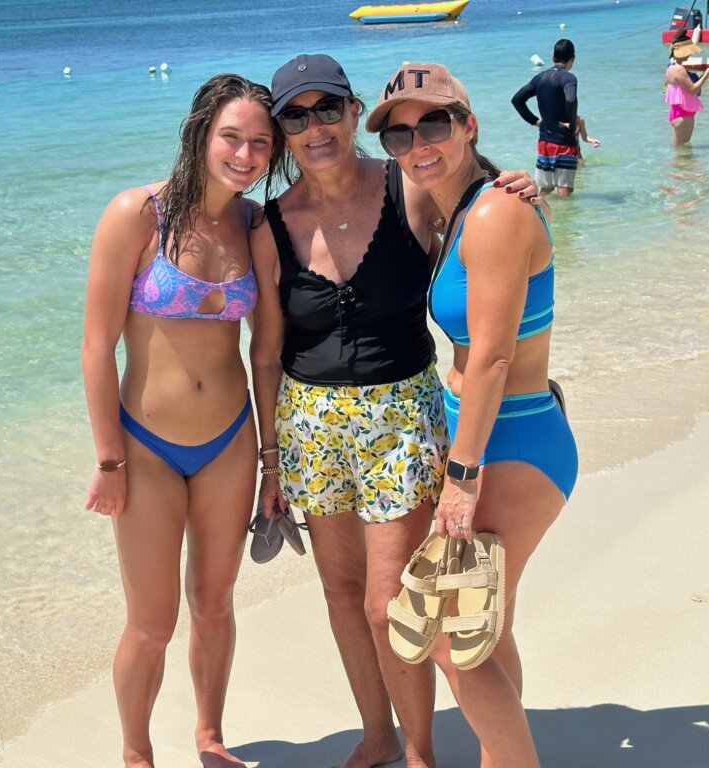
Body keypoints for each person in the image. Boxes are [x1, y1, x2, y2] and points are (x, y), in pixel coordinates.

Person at [249, 54, 539, 768]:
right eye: (296, 115)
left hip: (402, 419)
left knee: (389, 604)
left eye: (327, 109)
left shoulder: (409, 186)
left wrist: (521, 187)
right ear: (282, 132)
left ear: (353, 113)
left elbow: (484, 226)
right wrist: (270, 458)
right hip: (311, 422)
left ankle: (419, 751)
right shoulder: (270, 224)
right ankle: (376, 734)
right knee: (341, 594)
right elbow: (265, 350)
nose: (314, 127)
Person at [366, 61, 578, 767]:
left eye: (435, 124)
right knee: (483, 624)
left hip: (509, 439)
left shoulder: (492, 214)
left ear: (468, 124)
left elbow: (488, 359)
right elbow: (370, 183)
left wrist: (461, 475)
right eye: (400, 135)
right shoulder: (455, 201)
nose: (418, 143)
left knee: (453, 635)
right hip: (494, 432)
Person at [81, 73, 282, 768]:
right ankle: (136, 754)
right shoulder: (137, 214)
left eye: (261, 142)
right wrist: (109, 458)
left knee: (215, 603)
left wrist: (271, 460)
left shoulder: (254, 226)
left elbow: (268, 350)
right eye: (233, 136)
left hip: (230, 440)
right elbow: (95, 346)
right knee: (151, 622)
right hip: (145, 446)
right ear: (201, 133)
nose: (246, 153)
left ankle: (209, 735)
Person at [511, 38, 581, 198]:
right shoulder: (569, 78)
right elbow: (571, 100)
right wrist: (571, 124)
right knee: (564, 192)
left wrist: (535, 121)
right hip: (563, 143)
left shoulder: (539, 78)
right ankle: (564, 223)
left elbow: (517, 100)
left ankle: (544, 221)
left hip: (544, 144)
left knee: (545, 192)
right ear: (572, 59)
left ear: (553, 57)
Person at [665, 38, 709, 147]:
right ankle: (681, 164)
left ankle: (680, 164)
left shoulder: (671, 66)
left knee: (680, 148)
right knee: (683, 149)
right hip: (684, 115)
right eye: (688, 52)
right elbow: (693, 89)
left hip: (679, 113)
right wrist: (706, 75)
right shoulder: (678, 69)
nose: (690, 55)